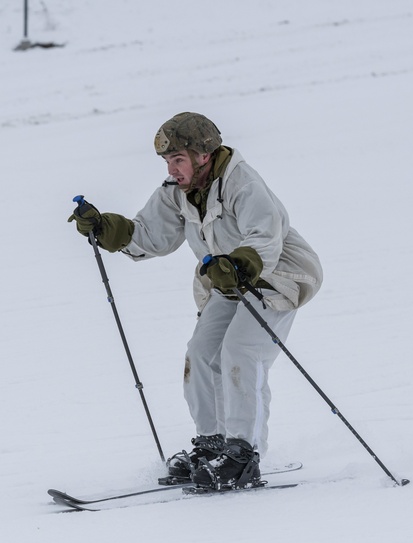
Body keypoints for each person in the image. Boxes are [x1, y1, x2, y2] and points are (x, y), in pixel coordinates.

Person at [69, 112, 322, 490]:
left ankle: (244, 453)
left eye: (178, 159)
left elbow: (265, 237)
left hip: (276, 278)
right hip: (226, 282)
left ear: (204, 155)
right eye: (167, 161)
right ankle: (212, 444)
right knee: (200, 353)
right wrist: (106, 228)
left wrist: (239, 264)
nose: (171, 169)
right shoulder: (178, 191)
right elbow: (149, 236)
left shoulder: (243, 184)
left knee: (241, 351)